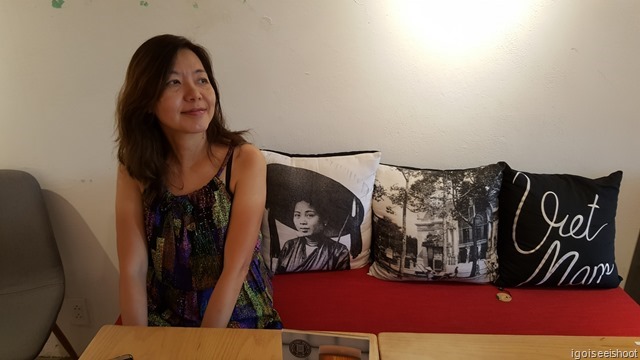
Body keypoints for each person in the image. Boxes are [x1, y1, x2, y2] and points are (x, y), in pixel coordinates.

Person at [115, 34, 282, 328]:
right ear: (147, 100)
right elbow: (133, 268)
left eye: (202, 80)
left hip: (236, 312)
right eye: (173, 82)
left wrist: (200, 349)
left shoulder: (244, 161)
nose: (195, 93)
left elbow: (237, 267)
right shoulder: (133, 167)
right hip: (163, 311)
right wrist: (136, 344)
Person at [275, 197, 350, 273]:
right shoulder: (289, 246)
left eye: (309, 215)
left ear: (325, 219)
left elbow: (341, 279)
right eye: (297, 215)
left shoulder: (338, 251)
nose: (302, 222)